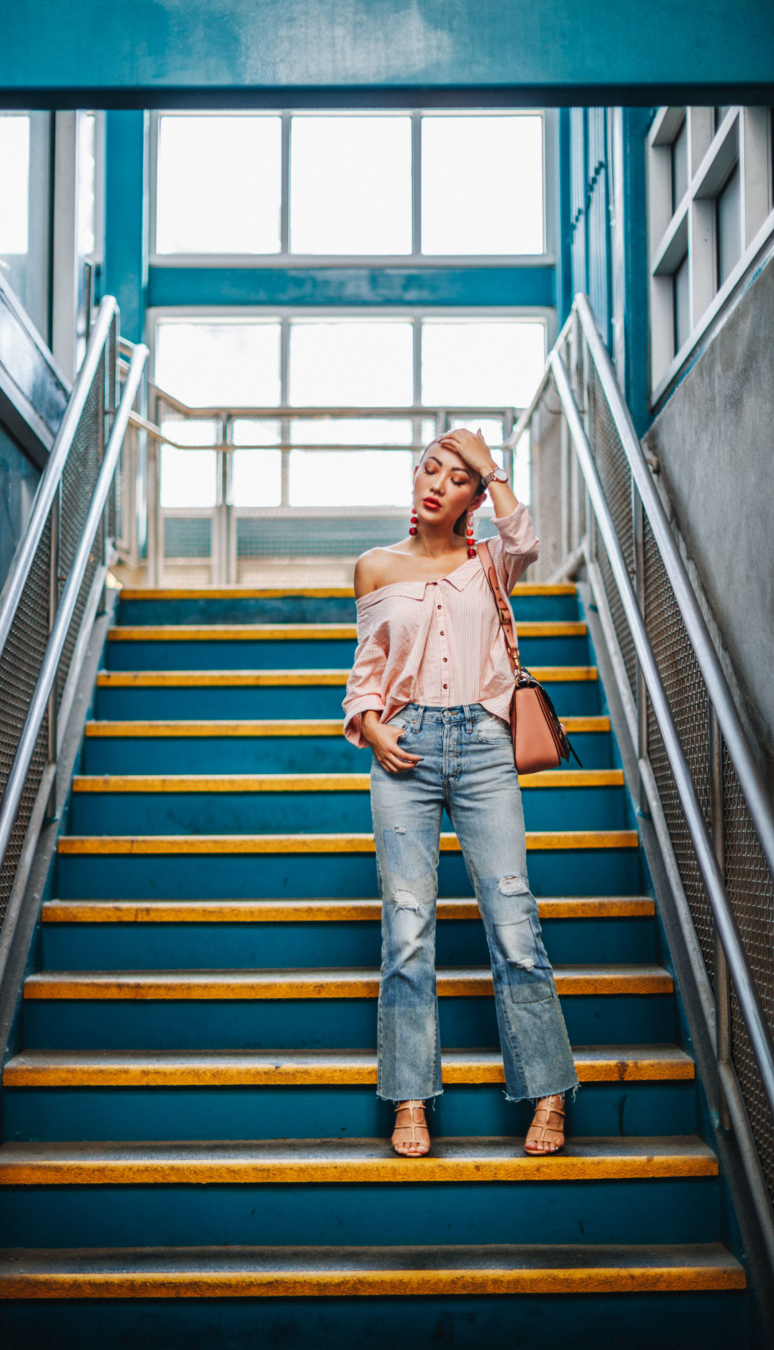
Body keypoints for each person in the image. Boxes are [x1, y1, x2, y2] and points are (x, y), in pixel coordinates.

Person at [343, 427, 578, 1158]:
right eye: (428, 469)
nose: (436, 482)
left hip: (483, 748)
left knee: (514, 923)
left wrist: (489, 463)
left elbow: (527, 537)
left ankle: (548, 1093)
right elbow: (367, 669)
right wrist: (372, 728)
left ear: (475, 495)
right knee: (407, 933)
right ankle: (409, 1098)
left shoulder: (491, 564)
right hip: (404, 749)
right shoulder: (374, 567)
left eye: (456, 476)